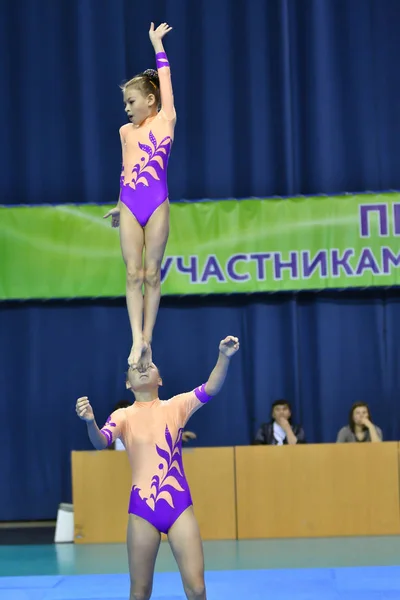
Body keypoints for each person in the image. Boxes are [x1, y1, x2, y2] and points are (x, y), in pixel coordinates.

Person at [75, 335, 239, 600]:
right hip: (142, 510)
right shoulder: (122, 416)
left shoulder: (176, 406)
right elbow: (99, 442)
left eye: (149, 366)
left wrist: (224, 356)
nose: (143, 368)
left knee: (197, 589)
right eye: (136, 368)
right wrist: (89, 422)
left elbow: (211, 388)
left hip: (179, 506)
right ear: (128, 383)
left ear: (160, 380)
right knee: (139, 594)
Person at [104, 22, 176, 369]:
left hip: (157, 203)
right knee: (132, 274)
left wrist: (156, 45)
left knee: (151, 273)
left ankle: (149, 336)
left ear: (150, 100)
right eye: (124, 103)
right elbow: (125, 169)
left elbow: (165, 82)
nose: (127, 108)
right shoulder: (123, 131)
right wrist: (119, 205)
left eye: (131, 101)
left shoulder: (166, 120)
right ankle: (137, 338)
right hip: (130, 204)